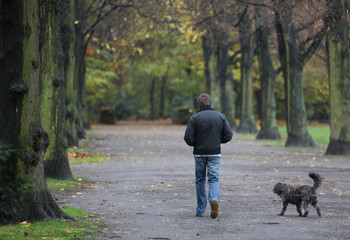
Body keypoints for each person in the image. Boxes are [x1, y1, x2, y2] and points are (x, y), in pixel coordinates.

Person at [184, 93, 233, 219]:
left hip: (199, 153)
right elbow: (229, 135)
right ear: (210, 103)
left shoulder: (194, 118)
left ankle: (200, 209)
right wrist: (217, 141)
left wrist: (197, 142)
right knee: (213, 179)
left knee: (200, 180)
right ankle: (214, 199)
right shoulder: (220, 117)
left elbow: (188, 138)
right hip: (215, 153)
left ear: (198, 105)